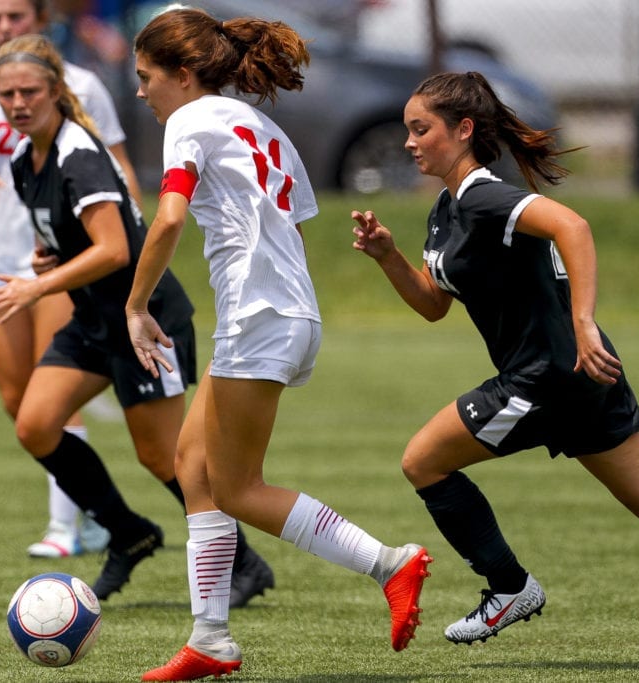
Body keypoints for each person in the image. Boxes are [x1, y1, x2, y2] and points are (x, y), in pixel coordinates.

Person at [350, 71, 639, 665]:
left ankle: (510, 589)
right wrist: (388, 256)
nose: (409, 142)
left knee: (423, 462)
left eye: (420, 129)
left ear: (463, 130)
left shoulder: (486, 196)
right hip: (583, 374)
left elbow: (573, 227)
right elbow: (435, 304)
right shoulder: (446, 208)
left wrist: (583, 322)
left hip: (546, 375)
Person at [124, 9, 433, 681]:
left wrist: (137, 302)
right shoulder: (256, 124)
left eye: (147, 77)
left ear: (183, 75)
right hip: (285, 311)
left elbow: (171, 214)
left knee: (236, 487)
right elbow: (280, 216)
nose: (142, 91)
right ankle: (211, 637)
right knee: (193, 464)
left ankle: (390, 562)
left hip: (258, 316)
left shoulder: (189, 120)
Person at [0, 1, 275, 608]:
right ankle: (129, 533)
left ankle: (244, 563)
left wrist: (38, 285)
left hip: (146, 318)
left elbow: (116, 249)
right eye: (6, 94)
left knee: (167, 457)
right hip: (96, 318)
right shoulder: (24, 157)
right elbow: (69, 237)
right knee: (35, 424)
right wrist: (50, 262)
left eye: (29, 92)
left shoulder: (79, 152)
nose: (17, 103)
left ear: (56, 90)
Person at [0, 0, 139, 559]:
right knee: (15, 399)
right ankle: (96, 509)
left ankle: (63, 529)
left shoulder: (81, 86)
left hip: (59, 262)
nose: (5, 27)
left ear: (42, 20)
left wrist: (139, 245)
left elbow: (119, 168)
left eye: (17, 16)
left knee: (52, 392)